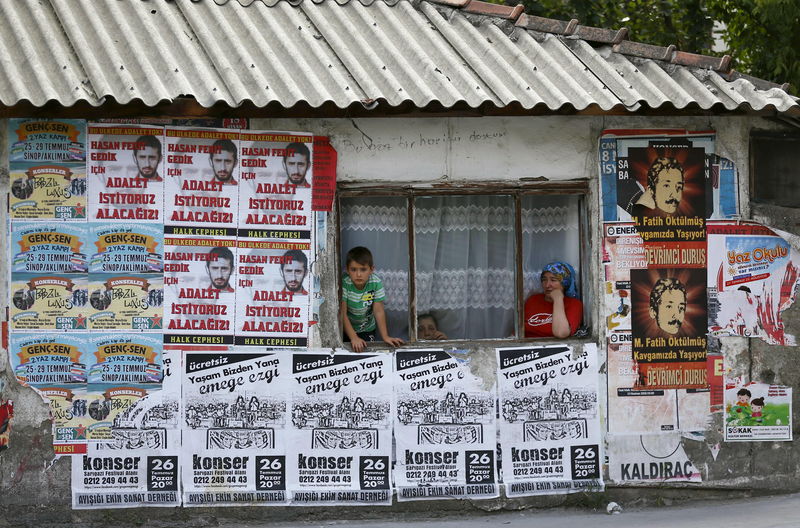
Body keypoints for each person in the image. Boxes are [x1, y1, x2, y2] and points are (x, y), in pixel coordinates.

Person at [340, 246, 404, 352]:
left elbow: (378, 311)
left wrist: (385, 336)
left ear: (371, 270)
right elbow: (342, 313)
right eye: (353, 269)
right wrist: (353, 337)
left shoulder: (375, 283)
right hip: (347, 328)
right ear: (347, 270)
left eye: (363, 269)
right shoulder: (345, 284)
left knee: (366, 352)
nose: (358, 274)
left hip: (367, 328)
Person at [524, 262, 582, 338]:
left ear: (564, 283)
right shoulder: (533, 300)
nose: (547, 285)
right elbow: (517, 332)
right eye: (544, 280)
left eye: (553, 280)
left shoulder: (574, 304)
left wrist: (558, 299)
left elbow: (561, 333)